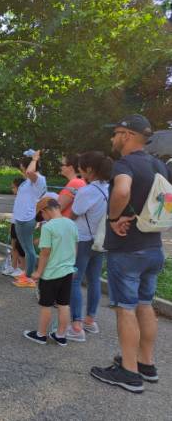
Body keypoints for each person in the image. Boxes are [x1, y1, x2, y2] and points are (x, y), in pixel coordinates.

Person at [91, 114, 171, 394]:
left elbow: (122, 190)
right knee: (144, 305)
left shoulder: (124, 164)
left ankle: (128, 371)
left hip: (127, 251)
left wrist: (115, 219)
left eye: (115, 134)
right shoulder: (160, 165)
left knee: (125, 308)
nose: (112, 139)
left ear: (126, 135)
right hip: (153, 248)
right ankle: (146, 364)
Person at [66, 151, 111, 343]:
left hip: (82, 239)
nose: (79, 170)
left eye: (81, 167)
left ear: (90, 169)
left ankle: (76, 326)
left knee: (74, 280)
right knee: (94, 280)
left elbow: (74, 214)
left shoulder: (87, 191)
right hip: (101, 240)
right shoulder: (110, 188)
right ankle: (90, 320)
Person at [23, 198, 78, 347]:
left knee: (46, 305)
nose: (42, 219)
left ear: (44, 211)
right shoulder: (71, 224)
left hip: (51, 273)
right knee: (64, 304)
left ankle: (41, 334)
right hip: (67, 270)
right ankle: (61, 335)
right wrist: (73, 265)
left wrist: (38, 272)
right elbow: (75, 246)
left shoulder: (48, 227)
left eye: (42, 216)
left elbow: (45, 252)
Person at [12, 150, 47, 288]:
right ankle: (27, 274)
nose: (21, 169)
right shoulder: (27, 181)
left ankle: (29, 278)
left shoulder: (38, 179)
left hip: (27, 218)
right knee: (26, 248)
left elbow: (30, 173)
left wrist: (35, 158)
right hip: (20, 218)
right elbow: (27, 174)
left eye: (22, 166)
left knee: (29, 249)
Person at [3, 177, 26, 277]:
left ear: (20, 188)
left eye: (13, 187)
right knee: (14, 246)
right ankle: (13, 266)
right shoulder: (17, 198)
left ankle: (22, 269)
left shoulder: (26, 199)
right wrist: (11, 224)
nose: (12, 189)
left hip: (22, 224)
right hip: (14, 223)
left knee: (20, 247)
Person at [58, 154, 86, 218]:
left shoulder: (75, 182)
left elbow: (57, 208)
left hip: (66, 224)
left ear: (70, 167)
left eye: (62, 165)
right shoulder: (80, 181)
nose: (60, 167)